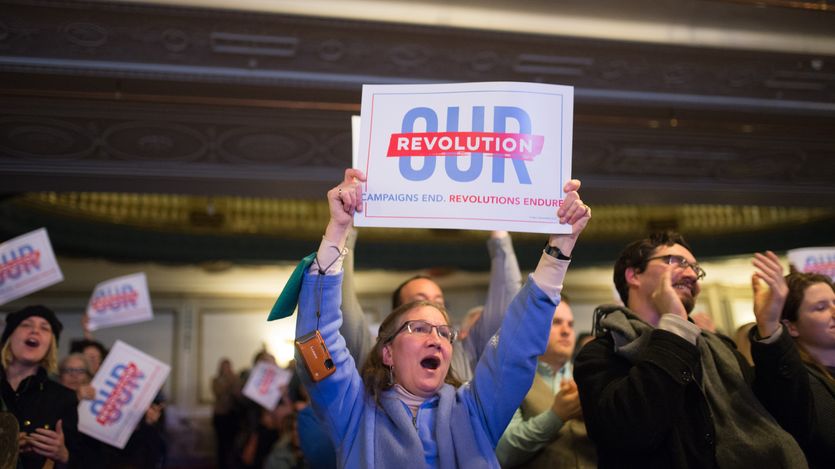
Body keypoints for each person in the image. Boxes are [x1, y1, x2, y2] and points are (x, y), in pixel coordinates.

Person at [292, 168, 590, 468]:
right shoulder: (353, 410)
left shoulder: (474, 410)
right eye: (418, 328)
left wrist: (559, 249)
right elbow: (318, 343)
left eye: (444, 333)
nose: (436, 339)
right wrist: (338, 229)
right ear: (387, 352)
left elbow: (517, 347)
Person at [574, 231, 808, 469]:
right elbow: (629, 433)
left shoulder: (720, 348)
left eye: (695, 269)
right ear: (634, 275)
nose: (691, 275)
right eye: (675, 262)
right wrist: (675, 326)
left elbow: (790, 415)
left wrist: (769, 328)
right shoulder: (601, 353)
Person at [340, 227, 523, 383]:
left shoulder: (466, 353)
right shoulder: (373, 356)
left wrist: (499, 231)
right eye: (419, 301)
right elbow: (343, 308)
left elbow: (506, 307)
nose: (432, 309)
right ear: (395, 318)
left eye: (439, 302)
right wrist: (343, 231)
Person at [749, 251, 835, 468]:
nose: (834, 311)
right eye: (821, 307)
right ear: (791, 326)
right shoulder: (796, 381)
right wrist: (768, 324)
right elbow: (781, 375)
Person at [496, 297, 597, 468]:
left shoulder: (591, 377)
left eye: (570, 325)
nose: (566, 331)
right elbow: (503, 453)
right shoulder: (511, 380)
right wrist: (555, 416)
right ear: (534, 328)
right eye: (557, 322)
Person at [0, 305, 79, 469]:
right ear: (9, 336)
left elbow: (86, 461)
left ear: (51, 345)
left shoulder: (64, 398)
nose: (35, 331)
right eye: (26, 325)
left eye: (44, 328)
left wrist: (63, 456)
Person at [212, 357, 240, 469]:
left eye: (228, 366)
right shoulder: (215, 380)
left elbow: (238, 394)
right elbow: (218, 392)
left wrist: (233, 381)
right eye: (224, 367)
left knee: (232, 443)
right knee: (221, 444)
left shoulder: (235, 379)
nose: (226, 369)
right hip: (220, 415)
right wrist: (229, 381)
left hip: (232, 415)